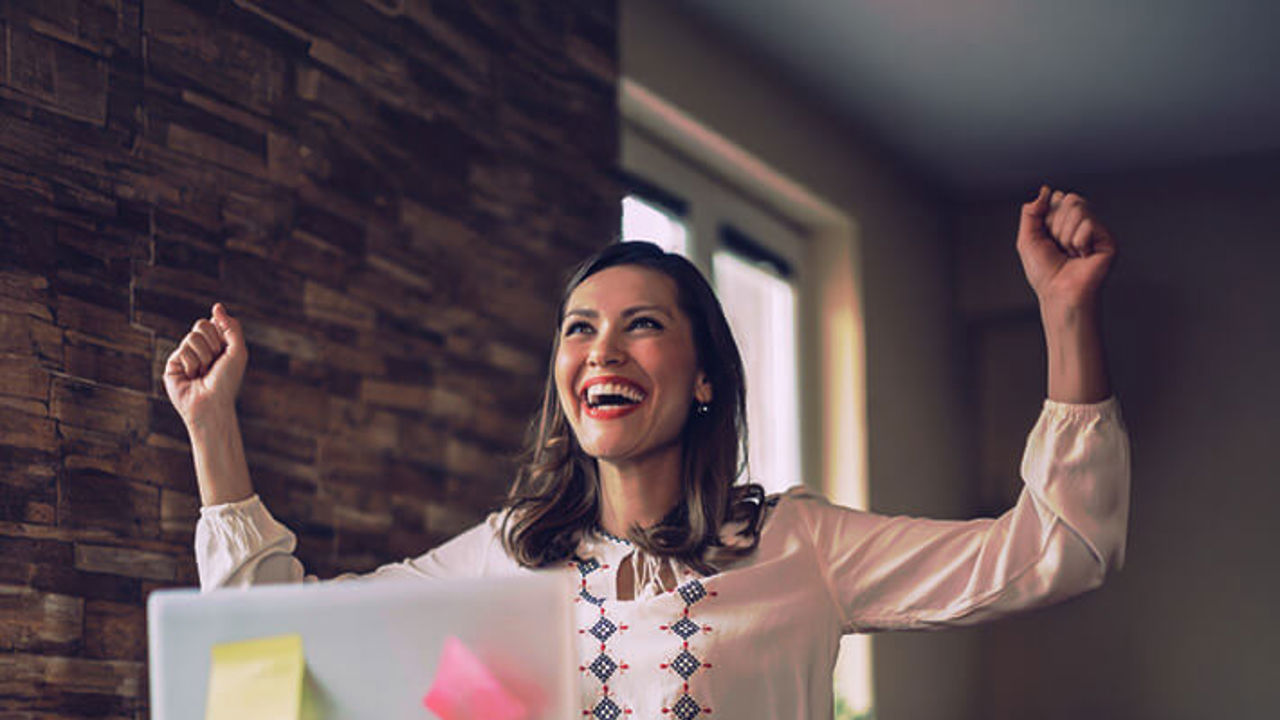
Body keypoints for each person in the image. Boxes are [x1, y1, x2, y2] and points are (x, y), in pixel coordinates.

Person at [165, 186, 1130, 719]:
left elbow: (1062, 548)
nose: (602, 350)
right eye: (579, 329)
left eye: (642, 326)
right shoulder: (507, 556)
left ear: (703, 375)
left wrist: (1065, 313)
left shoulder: (803, 545)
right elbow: (269, 635)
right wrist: (213, 427)